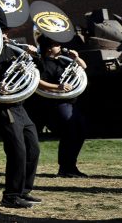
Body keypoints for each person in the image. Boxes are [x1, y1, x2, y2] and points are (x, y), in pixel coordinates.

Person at [0, 33, 41, 208]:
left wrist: (34, 55)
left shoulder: (16, 50)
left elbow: (39, 71)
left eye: (6, 31)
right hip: (3, 106)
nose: (5, 35)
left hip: (19, 105)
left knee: (33, 148)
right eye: (1, 31)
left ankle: (24, 191)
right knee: (17, 151)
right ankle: (11, 195)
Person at [37, 37, 88, 178]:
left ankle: (71, 165)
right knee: (69, 132)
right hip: (57, 103)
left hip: (71, 101)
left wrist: (76, 58)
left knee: (81, 131)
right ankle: (65, 168)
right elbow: (38, 82)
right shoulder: (43, 64)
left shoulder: (64, 60)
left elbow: (83, 68)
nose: (60, 46)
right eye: (56, 44)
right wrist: (58, 87)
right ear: (48, 48)